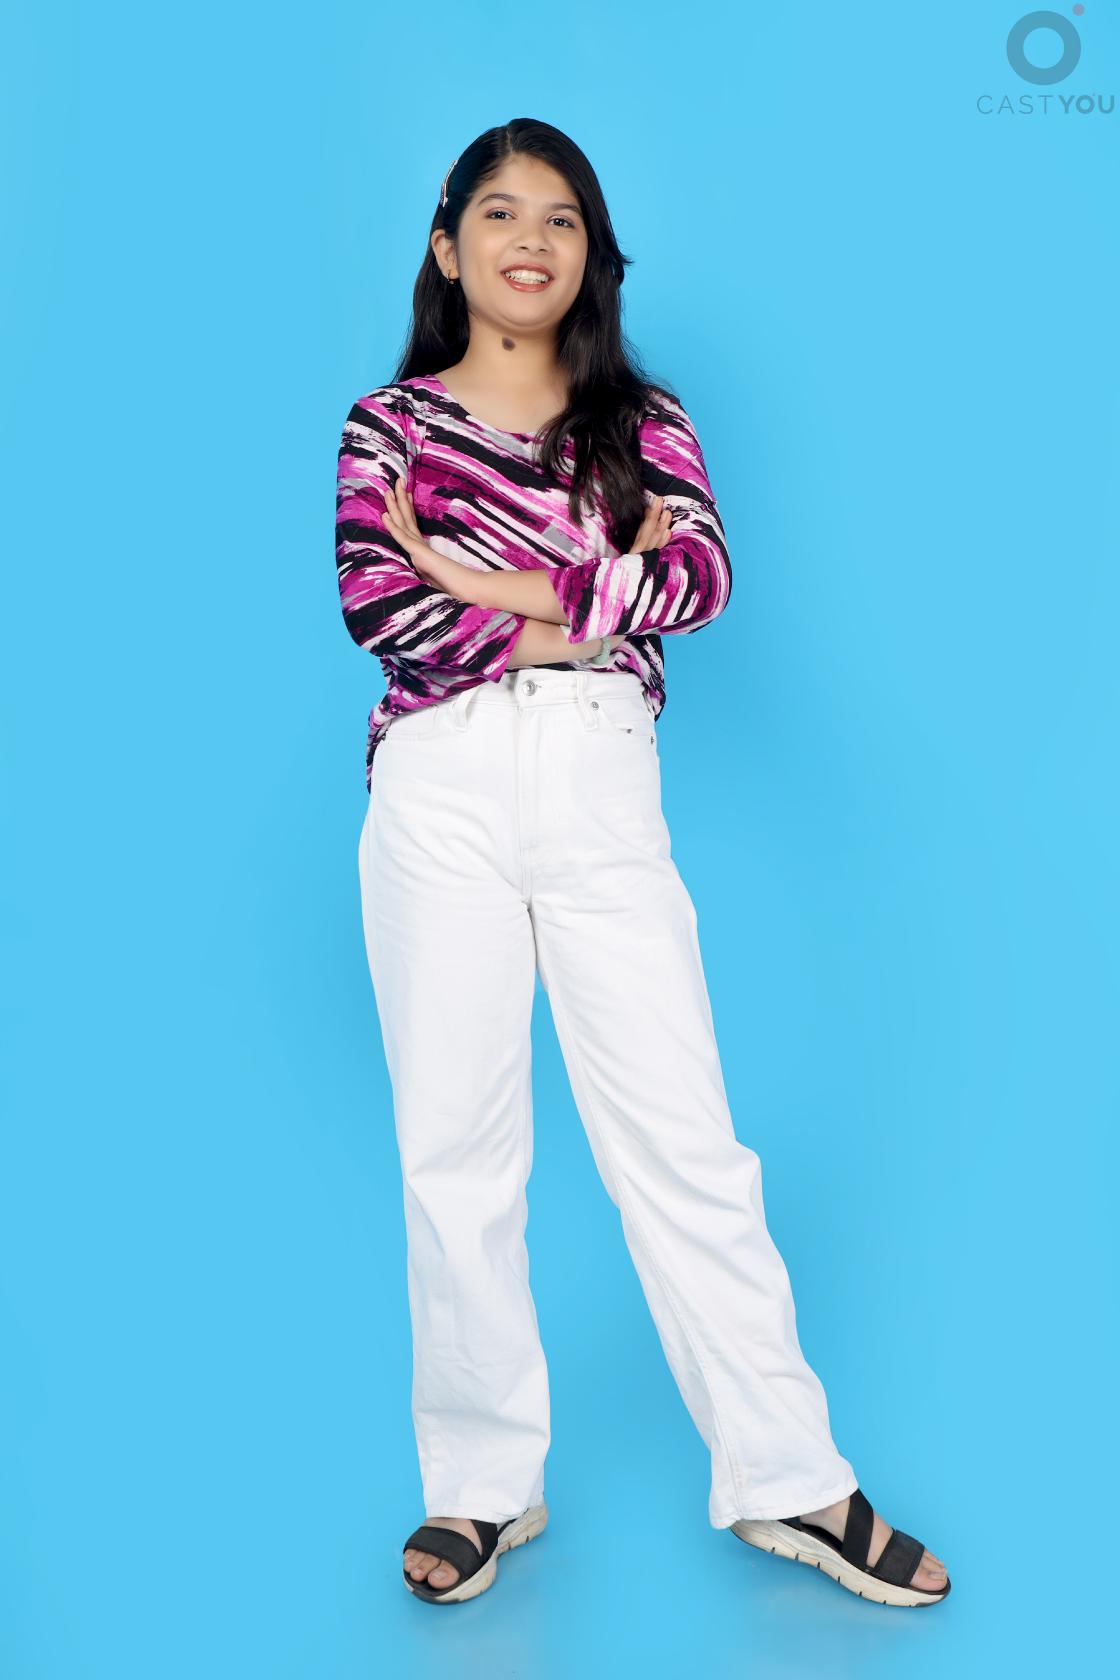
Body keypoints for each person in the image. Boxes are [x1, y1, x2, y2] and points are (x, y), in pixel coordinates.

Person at [335, 118, 950, 1611]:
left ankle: (790, 1478)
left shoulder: (642, 420)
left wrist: (479, 572)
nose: (529, 239)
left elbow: (704, 577)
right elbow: (381, 609)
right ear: (448, 247)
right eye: (499, 213)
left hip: (601, 783)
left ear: (593, 254)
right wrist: (586, 594)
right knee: (455, 1154)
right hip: (439, 789)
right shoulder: (387, 425)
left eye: (561, 217)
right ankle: (482, 1487)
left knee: (684, 1144)